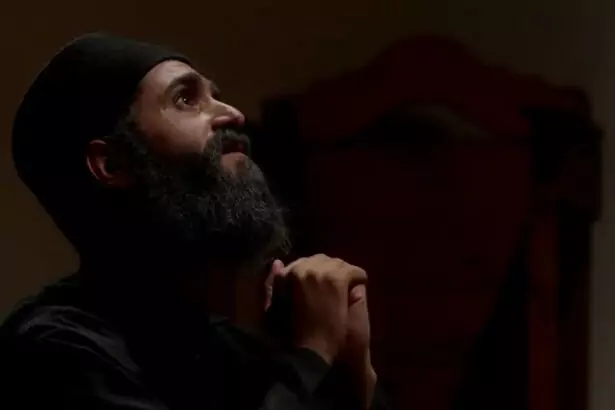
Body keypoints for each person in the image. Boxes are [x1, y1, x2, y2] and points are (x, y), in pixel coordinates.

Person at [0, 33, 388, 409]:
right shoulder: (55, 350)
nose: (233, 113)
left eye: (214, 95)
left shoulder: (234, 344)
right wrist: (313, 353)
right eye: (186, 99)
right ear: (112, 163)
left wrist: (354, 372)